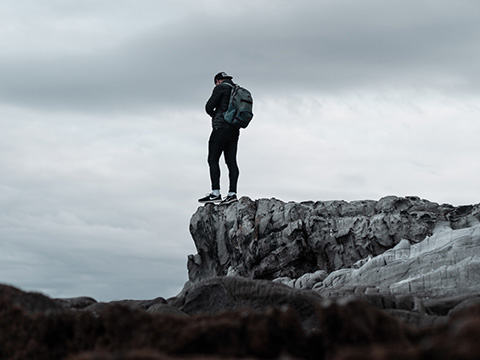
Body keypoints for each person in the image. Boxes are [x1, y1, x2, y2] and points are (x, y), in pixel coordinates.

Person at [198, 72, 240, 205]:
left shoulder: (220, 88)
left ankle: (215, 193)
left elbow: (209, 106)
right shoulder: (236, 89)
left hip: (220, 128)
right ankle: (232, 194)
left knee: (213, 159)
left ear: (218, 81)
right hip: (234, 130)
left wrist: (215, 115)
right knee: (231, 162)